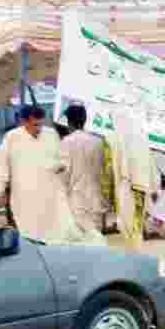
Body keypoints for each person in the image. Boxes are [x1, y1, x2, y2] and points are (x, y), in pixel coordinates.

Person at [0, 105, 86, 244]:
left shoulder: (51, 134)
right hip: (25, 197)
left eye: (40, 123)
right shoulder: (12, 137)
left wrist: (61, 166)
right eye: (35, 124)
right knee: (30, 234)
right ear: (24, 121)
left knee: (59, 233)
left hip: (52, 195)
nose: (39, 128)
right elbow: (0, 164)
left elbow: (63, 158)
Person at [102, 111, 161, 251]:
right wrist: (154, 188)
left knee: (127, 226)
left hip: (124, 187)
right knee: (137, 226)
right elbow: (151, 163)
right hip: (142, 188)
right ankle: (137, 252)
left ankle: (135, 254)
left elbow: (108, 168)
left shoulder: (111, 139)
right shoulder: (142, 138)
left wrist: (106, 193)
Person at [60, 104, 107, 244]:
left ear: (68, 122)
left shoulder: (67, 142)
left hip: (76, 200)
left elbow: (63, 174)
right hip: (95, 199)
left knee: (80, 243)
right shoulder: (98, 142)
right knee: (96, 240)